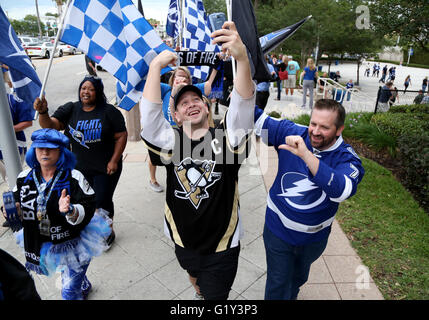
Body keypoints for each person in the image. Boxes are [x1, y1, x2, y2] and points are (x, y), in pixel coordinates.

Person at [139, 21, 255, 300]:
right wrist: (155, 67)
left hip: (222, 245)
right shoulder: (171, 144)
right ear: (176, 116)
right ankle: (198, 290)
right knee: (194, 277)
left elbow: (242, 105)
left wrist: (241, 58)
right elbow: (150, 121)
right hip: (183, 239)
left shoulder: (227, 140)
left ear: (207, 106)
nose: (190, 103)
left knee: (214, 296)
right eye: (182, 102)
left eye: (196, 99)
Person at [254, 99, 365, 300]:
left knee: (297, 278)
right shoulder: (293, 131)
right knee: (278, 282)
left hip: (314, 238)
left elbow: (341, 190)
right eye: (313, 123)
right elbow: (255, 118)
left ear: (339, 129)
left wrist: (306, 155)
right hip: (278, 230)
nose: (314, 131)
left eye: (324, 127)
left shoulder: (347, 158)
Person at [4, 128, 111, 300]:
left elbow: (89, 204)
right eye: (40, 148)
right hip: (43, 239)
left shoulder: (74, 177)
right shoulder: (23, 178)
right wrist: (14, 210)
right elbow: (16, 202)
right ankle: (82, 283)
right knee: (67, 271)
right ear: (34, 151)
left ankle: (76, 287)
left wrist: (71, 210)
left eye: (51, 148)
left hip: (74, 241)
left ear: (61, 151)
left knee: (68, 291)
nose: (44, 152)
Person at [33, 76, 127, 248]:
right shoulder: (72, 109)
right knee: (84, 201)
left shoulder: (109, 111)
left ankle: (107, 231)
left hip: (105, 168)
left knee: (102, 201)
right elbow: (50, 126)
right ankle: (87, 229)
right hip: (79, 169)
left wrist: (114, 160)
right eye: (83, 88)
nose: (86, 91)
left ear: (98, 92)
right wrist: (43, 112)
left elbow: (121, 135)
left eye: (91, 89)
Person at [147, 62, 219, 193]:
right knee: (154, 156)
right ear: (172, 79)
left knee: (180, 160)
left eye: (184, 77)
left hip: (183, 132)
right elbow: (150, 86)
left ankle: (182, 181)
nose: (180, 79)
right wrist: (157, 66)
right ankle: (153, 179)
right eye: (177, 77)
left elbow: (208, 86)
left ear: (188, 80)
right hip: (165, 131)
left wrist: (215, 66)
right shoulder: (166, 89)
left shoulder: (191, 89)